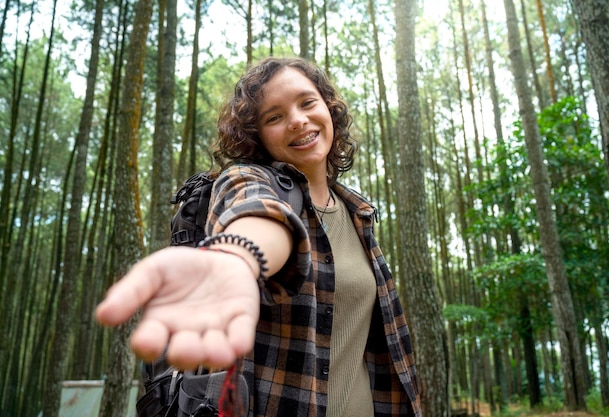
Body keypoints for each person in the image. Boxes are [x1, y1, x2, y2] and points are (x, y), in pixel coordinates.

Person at [96, 57, 421, 417]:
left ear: (329, 108)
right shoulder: (246, 180)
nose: (297, 120)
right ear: (258, 136)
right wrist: (238, 257)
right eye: (274, 117)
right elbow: (259, 217)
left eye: (307, 102)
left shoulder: (358, 214)